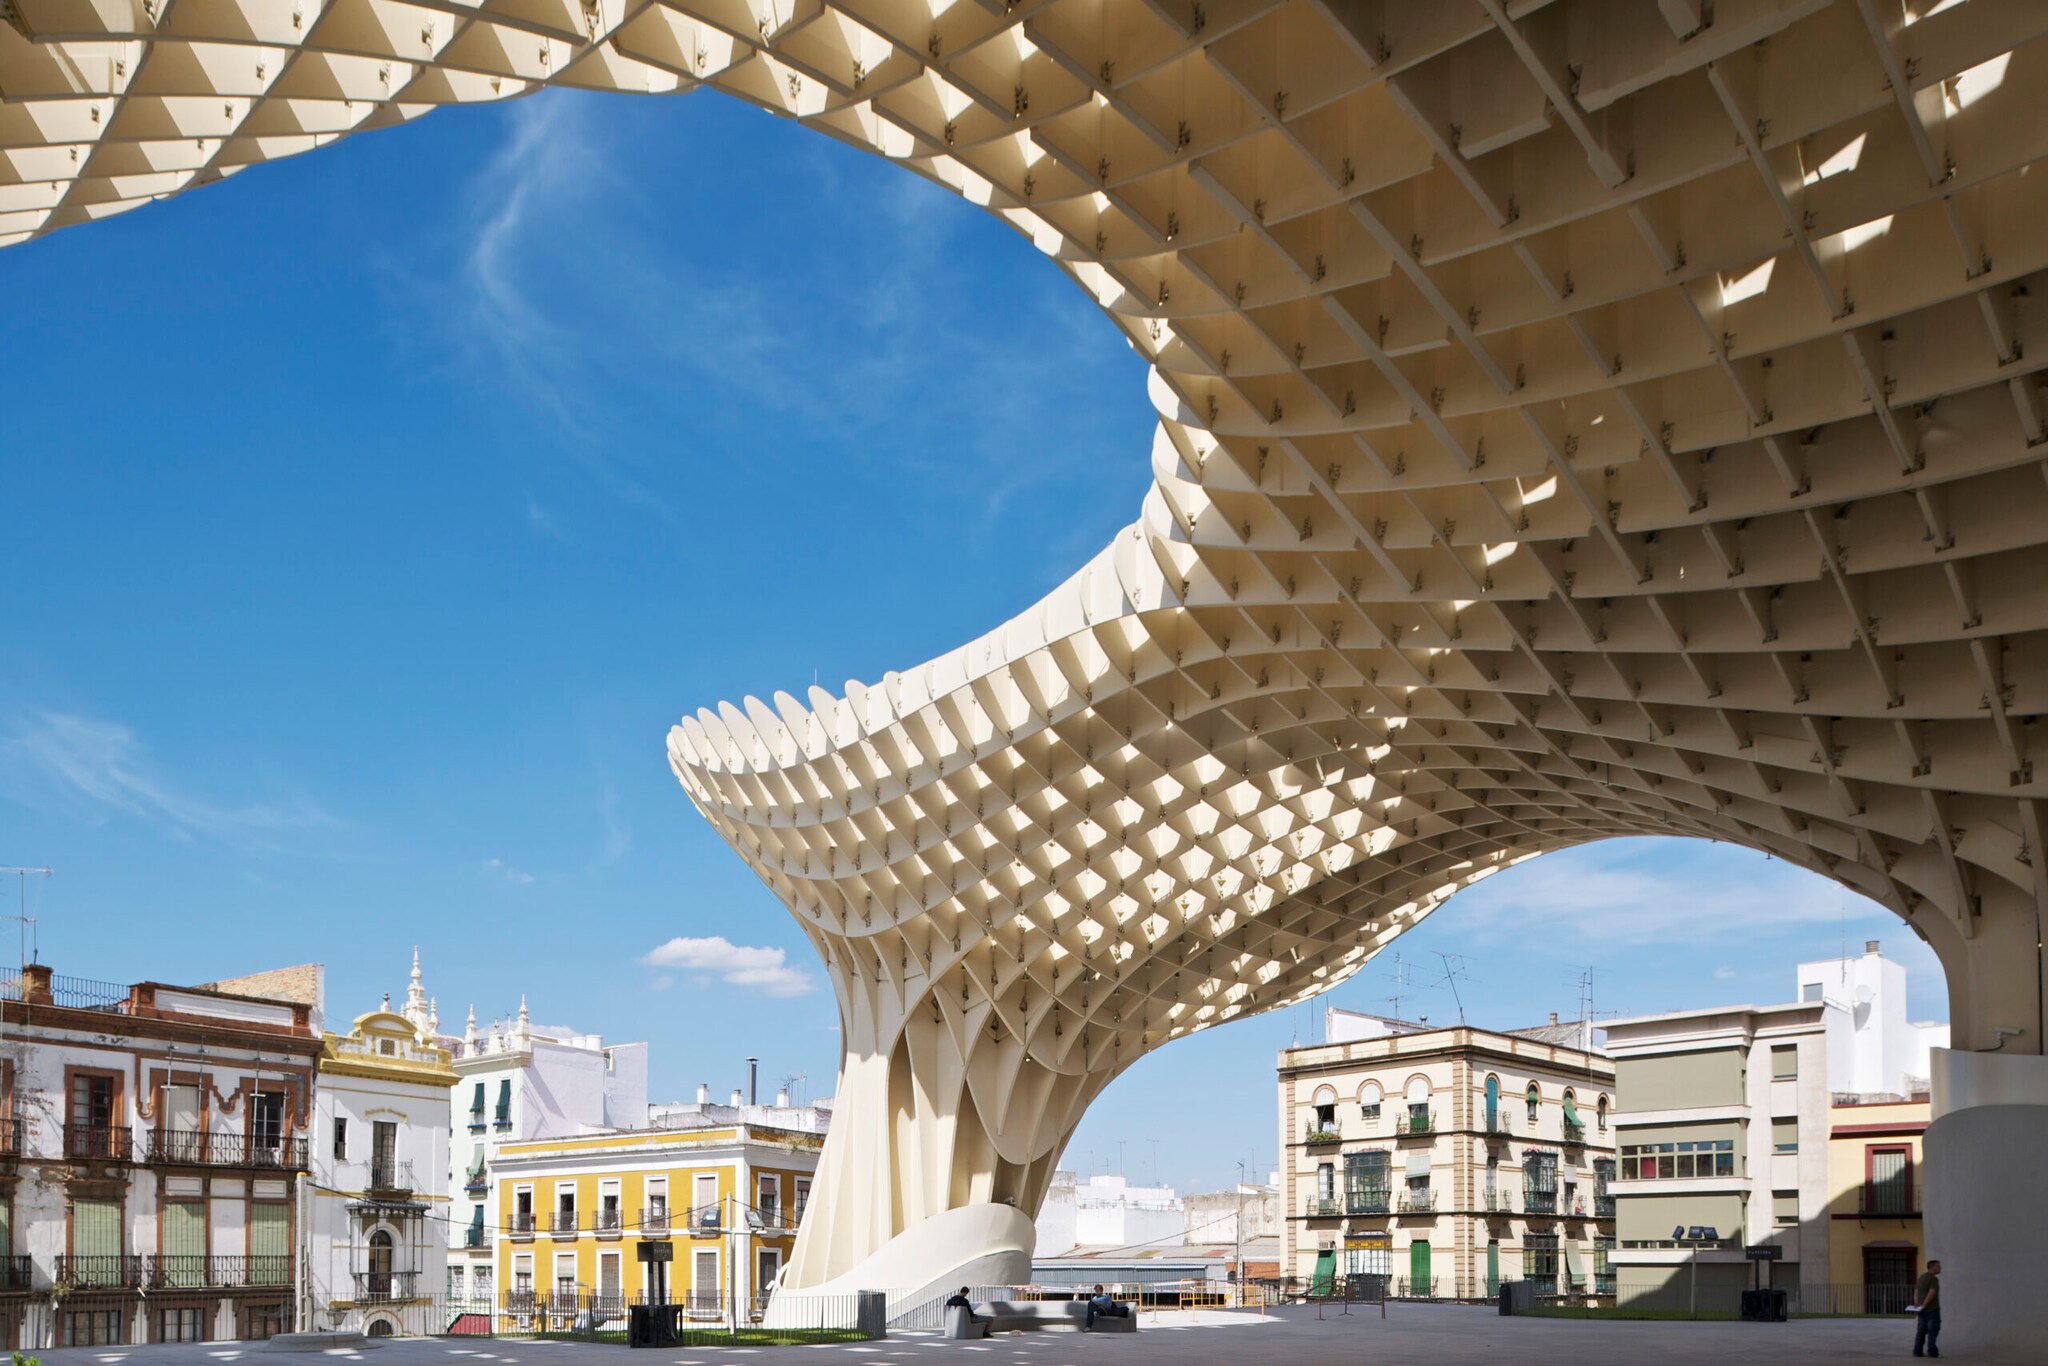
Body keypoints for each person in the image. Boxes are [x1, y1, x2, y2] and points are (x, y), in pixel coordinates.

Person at [1911, 1258, 1941, 1358]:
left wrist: (1917, 1303)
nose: (1940, 1268)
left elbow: (1916, 1291)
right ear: (1932, 1267)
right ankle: (1932, 1352)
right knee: (1933, 1330)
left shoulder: (1921, 1277)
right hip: (1932, 1309)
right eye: (1938, 1266)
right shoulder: (1933, 1279)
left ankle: (1917, 1351)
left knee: (1921, 1330)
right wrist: (1924, 1304)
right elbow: (1932, 1292)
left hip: (1921, 1309)